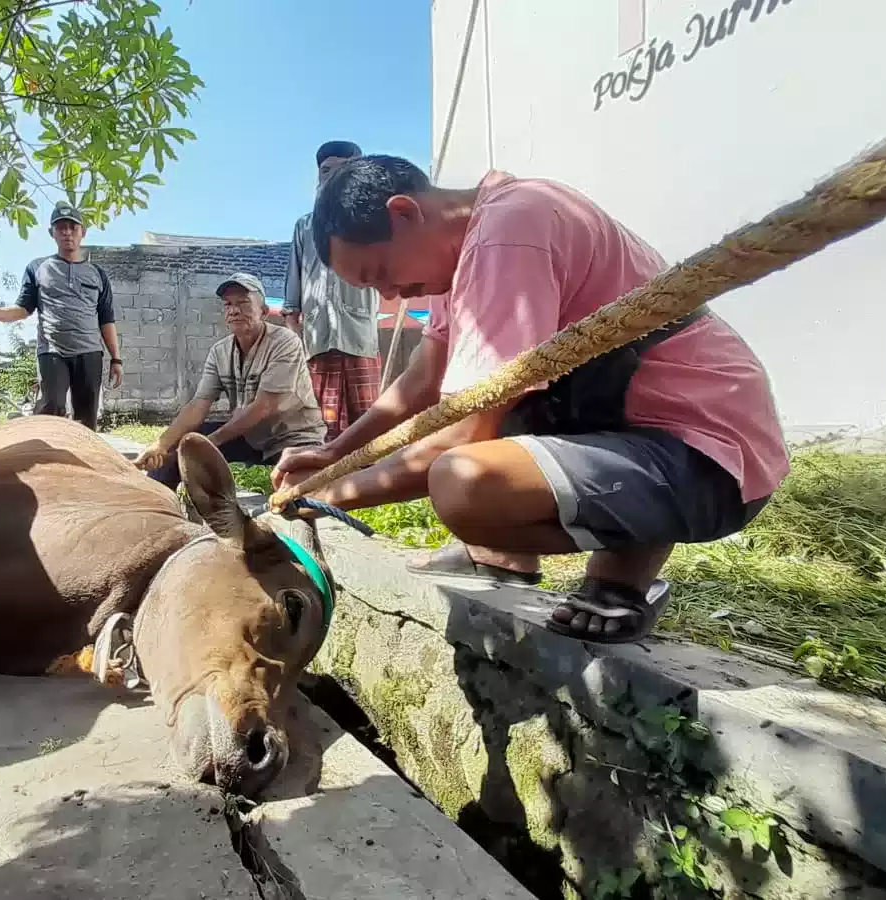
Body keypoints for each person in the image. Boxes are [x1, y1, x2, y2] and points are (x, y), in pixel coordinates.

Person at [273, 156, 788, 645]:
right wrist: (334, 453)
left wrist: (328, 495)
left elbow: (463, 434)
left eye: (378, 272)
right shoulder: (464, 252)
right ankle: (506, 556)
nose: (390, 294)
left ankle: (624, 575)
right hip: (648, 441)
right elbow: (423, 377)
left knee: (463, 481)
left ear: (404, 213)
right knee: (507, 410)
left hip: (709, 459)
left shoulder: (507, 235)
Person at [134, 273, 326, 489]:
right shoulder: (220, 351)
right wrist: (161, 445)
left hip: (294, 436)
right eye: (228, 304)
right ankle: (157, 508)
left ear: (263, 312)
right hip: (251, 437)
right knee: (183, 443)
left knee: (296, 493)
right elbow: (199, 404)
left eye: (243, 303)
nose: (234, 310)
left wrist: (210, 443)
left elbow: (263, 407)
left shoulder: (285, 342)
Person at [0, 202, 124, 431]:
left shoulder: (98, 274)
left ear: (82, 232)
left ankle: (82, 464)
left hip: (89, 354)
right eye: (61, 227)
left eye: (73, 227)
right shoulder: (38, 268)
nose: (67, 232)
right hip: (52, 352)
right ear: (52, 233)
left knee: (86, 419)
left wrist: (116, 359)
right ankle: (47, 459)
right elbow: (22, 309)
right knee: (51, 407)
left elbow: (106, 318)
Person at [283, 141, 384, 441]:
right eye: (326, 171)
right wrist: (297, 337)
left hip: (360, 337)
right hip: (318, 340)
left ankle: (366, 483)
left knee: (367, 427)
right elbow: (292, 294)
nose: (333, 178)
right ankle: (326, 485)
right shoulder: (305, 227)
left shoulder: (371, 222)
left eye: (344, 170)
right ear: (318, 176)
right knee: (323, 428)